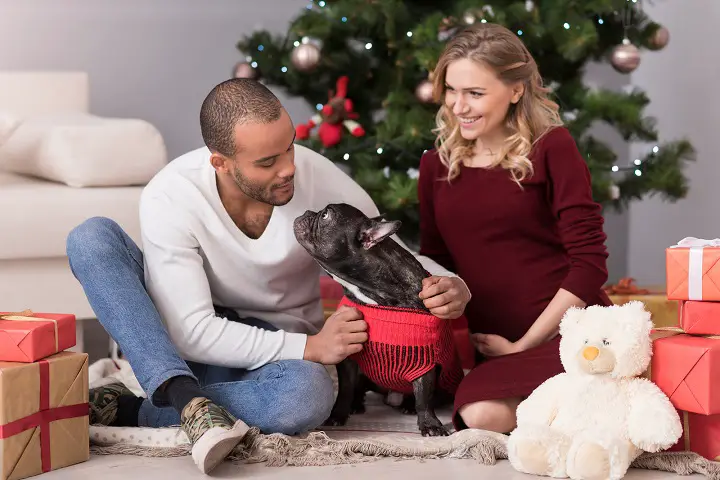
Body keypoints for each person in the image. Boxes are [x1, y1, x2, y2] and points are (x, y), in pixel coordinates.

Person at [66, 78, 471, 474]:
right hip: (179, 351)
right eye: (267, 162)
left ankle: (138, 408)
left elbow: (392, 254)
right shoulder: (172, 192)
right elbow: (189, 331)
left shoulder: (320, 179)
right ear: (220, 163)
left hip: (273, 354)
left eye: (289, 146)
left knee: (306, 397)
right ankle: (180, 394)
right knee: (90, 238)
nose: (289, 168)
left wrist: (454, 286)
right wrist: (310, 346)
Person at [417, 22, 612, 434]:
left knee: (488, 415)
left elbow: (590, 264)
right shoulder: (436, 166)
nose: (458, 106)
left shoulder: (552, 147)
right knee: (478, 415)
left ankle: (598, 405)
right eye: (451, 90)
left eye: (475, 93)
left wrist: (524, 345)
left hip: (568, 329)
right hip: (494, 342)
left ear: (516, 91)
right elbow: (436, 263)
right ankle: (590, 410)